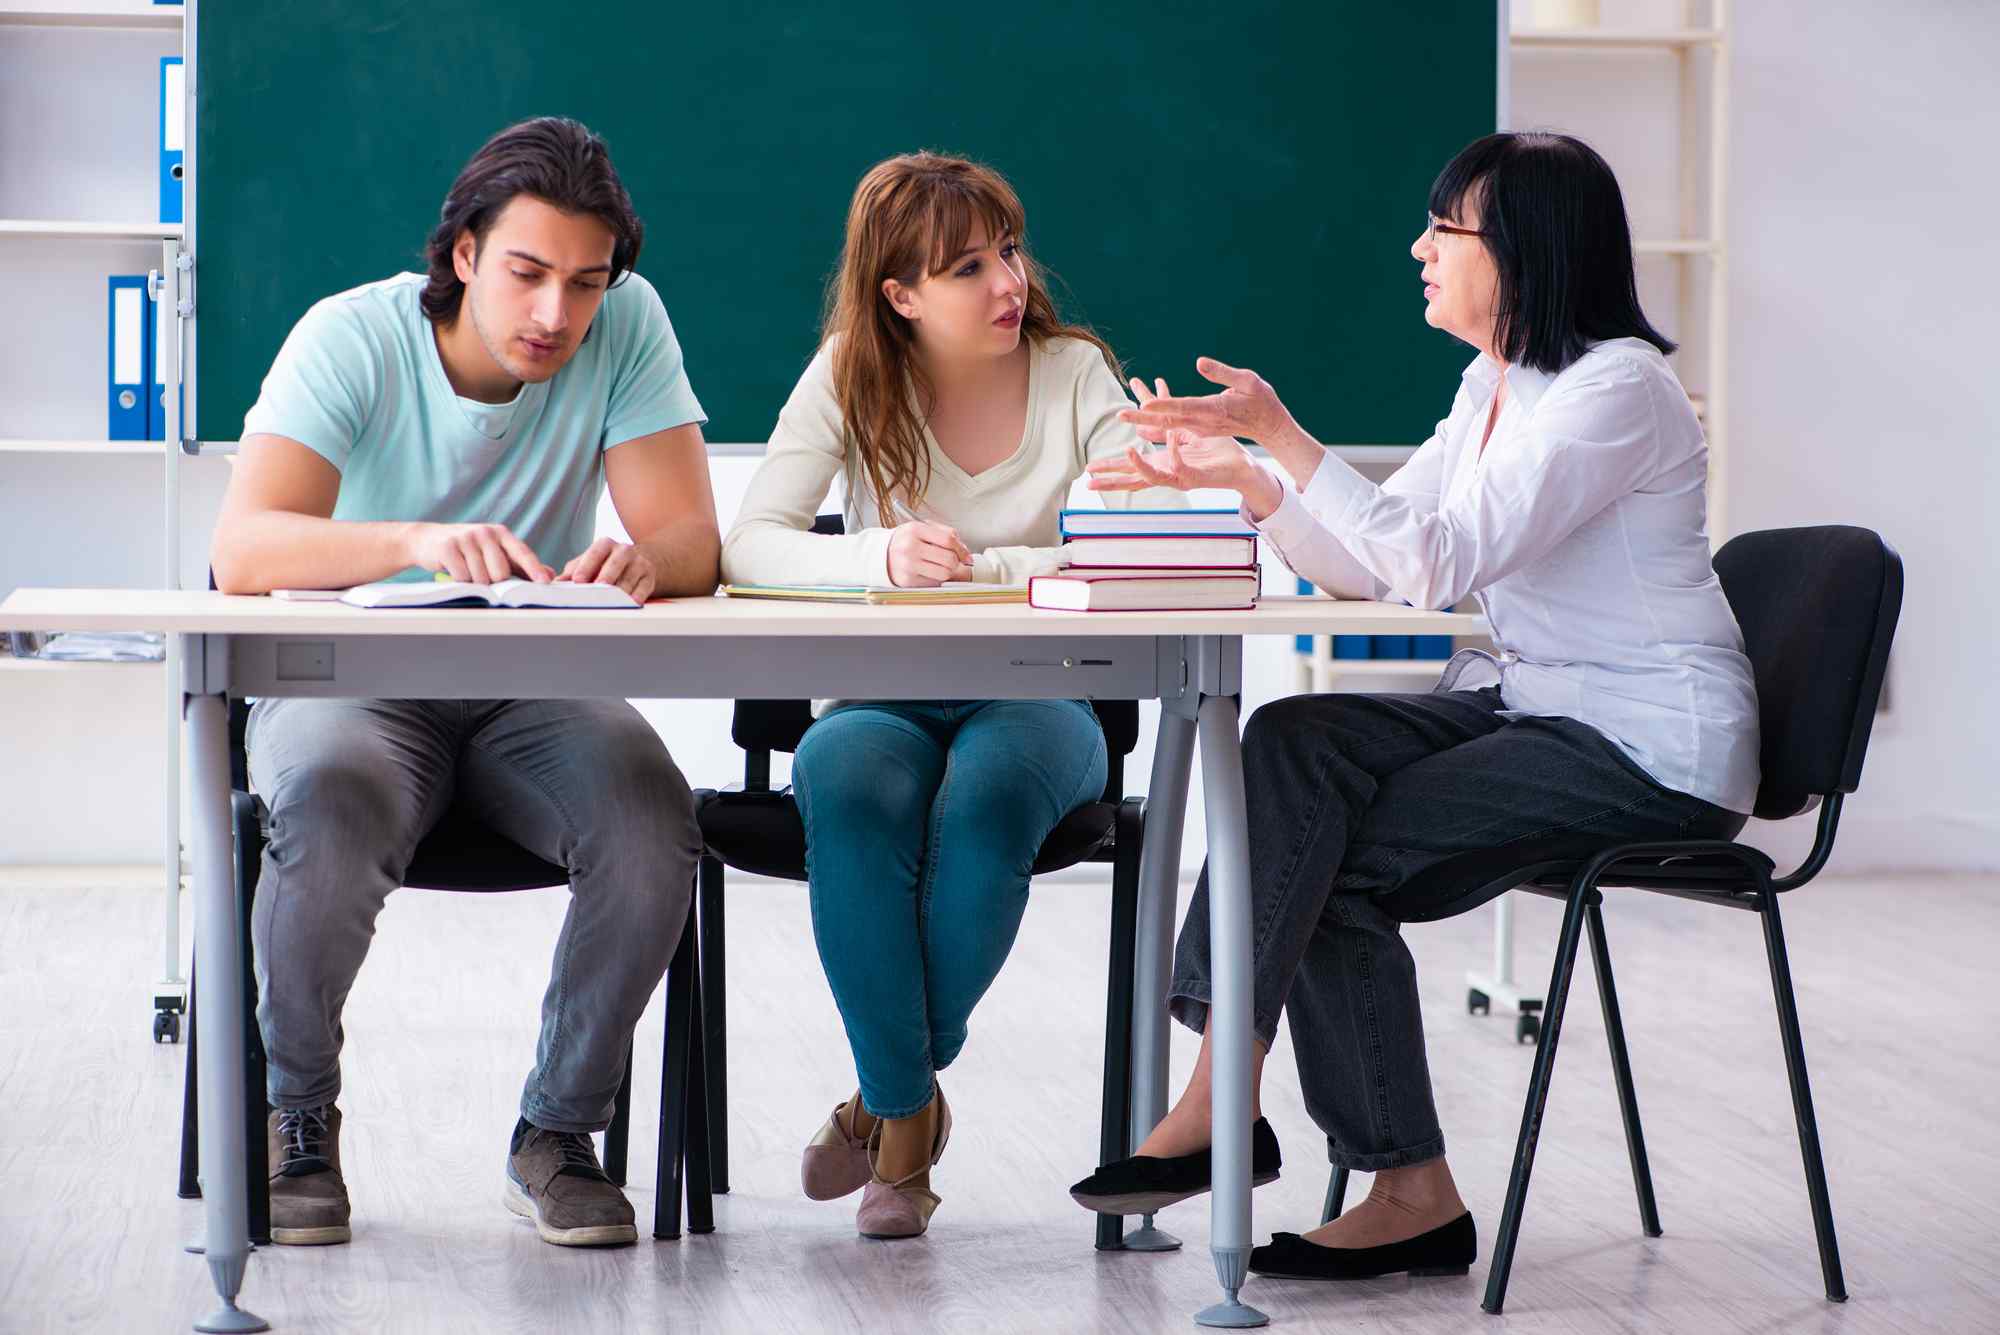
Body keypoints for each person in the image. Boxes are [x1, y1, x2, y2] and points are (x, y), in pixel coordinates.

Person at [1069, 131, 1759, 1283]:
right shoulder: (1493, 382)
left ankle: (1374, 1174)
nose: (1417, 249)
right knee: (1291, 742)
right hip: (1535, 707)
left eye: (1443, 229)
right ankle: (1250, 1110)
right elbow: (1371, 569)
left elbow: (1436, 564)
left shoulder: (1617, 393)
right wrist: (1253, 486)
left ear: (1526, 250)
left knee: (1316, 856)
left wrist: (1281, 437)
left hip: (1648, 747)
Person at [208, 117, 719, 1248]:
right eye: (529, 275)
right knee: (326, 804)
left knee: (650, 819)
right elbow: (244, 551)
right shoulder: (350, 336)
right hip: (353, 681)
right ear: (465, 256)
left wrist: (648, 559)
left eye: (584, 284)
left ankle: (557, 1134)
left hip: (533, 684)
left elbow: (690, 535)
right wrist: (419, 539)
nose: (556, 316)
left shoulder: (624, 325)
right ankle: (296, 1118)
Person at [721, 151, 1181, 1239]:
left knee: (984, 805)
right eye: (967, 265)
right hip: (881, 694)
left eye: (1008, 250)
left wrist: (977, 567)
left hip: (1046, 700)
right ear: (899, 294)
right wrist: (874, 557)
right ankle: (907, 1119)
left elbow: (1119, 550)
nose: (1007, 280)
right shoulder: (848, 371)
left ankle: (882, 1107)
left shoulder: (1076, 374)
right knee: (840, 778)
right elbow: (749, 543)